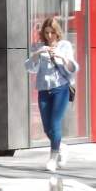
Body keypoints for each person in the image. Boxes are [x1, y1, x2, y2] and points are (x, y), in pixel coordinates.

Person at [25, 16, 79, 172]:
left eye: (52, 33)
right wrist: (37, 54)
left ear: (57, 33)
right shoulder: (40, 47)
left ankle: (52, 158)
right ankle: (61, 147)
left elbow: (73, 68)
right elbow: (29, 67)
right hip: (43, 90)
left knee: (55, 124)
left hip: (60, 89)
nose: (49, 36)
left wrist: (61, 57)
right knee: (47, 129)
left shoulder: (65, 45)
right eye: (47, 32)